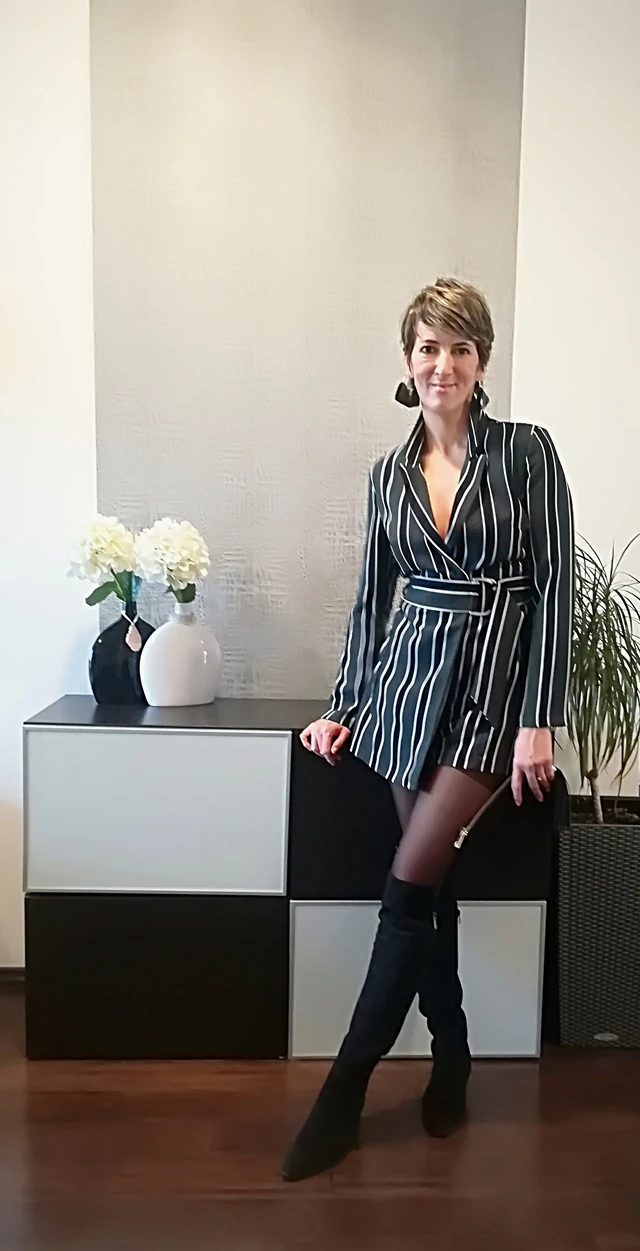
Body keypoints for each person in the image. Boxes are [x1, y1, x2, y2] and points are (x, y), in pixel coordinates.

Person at [281, 277, 575, 1184]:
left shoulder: (526, 452)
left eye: (459, 347)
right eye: (426, 347)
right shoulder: (388, 475)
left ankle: (343, 1093)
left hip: (492, 691)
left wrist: (539, 718)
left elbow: (554, 589)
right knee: (433, 890)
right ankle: (453, 1053)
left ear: (481, 361)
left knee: (408, 887)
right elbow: (373, 601)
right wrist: (344, 703)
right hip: (408, 692)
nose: (441, 364)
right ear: (408, 360)